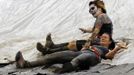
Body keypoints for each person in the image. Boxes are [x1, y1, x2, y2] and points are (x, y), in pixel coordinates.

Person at [15, 33, 127, 73]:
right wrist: (86, 46)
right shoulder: (95, 44)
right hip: (82, 52)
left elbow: (108, 56)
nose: (102, 38)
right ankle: (26, 64)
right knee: (53, 57)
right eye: (102, 37)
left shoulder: (107, 49)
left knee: (82, 57)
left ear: (110, 42)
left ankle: (65, 69)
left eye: (105, 38)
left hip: (94, 56)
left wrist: (117, 48)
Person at [36, 0, 114, 55]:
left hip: (101, 43)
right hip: (99, 41)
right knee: (73, 42)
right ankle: (53, 46)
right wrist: (86, 30)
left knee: (73, 45)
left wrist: (88, 42)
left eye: (92, 8)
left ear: (100, 8)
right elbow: (95, 29)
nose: (91, 11)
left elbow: (96, 32)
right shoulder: (101, 18)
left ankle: (48, 51)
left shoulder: (101, 16)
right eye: (89, 10)